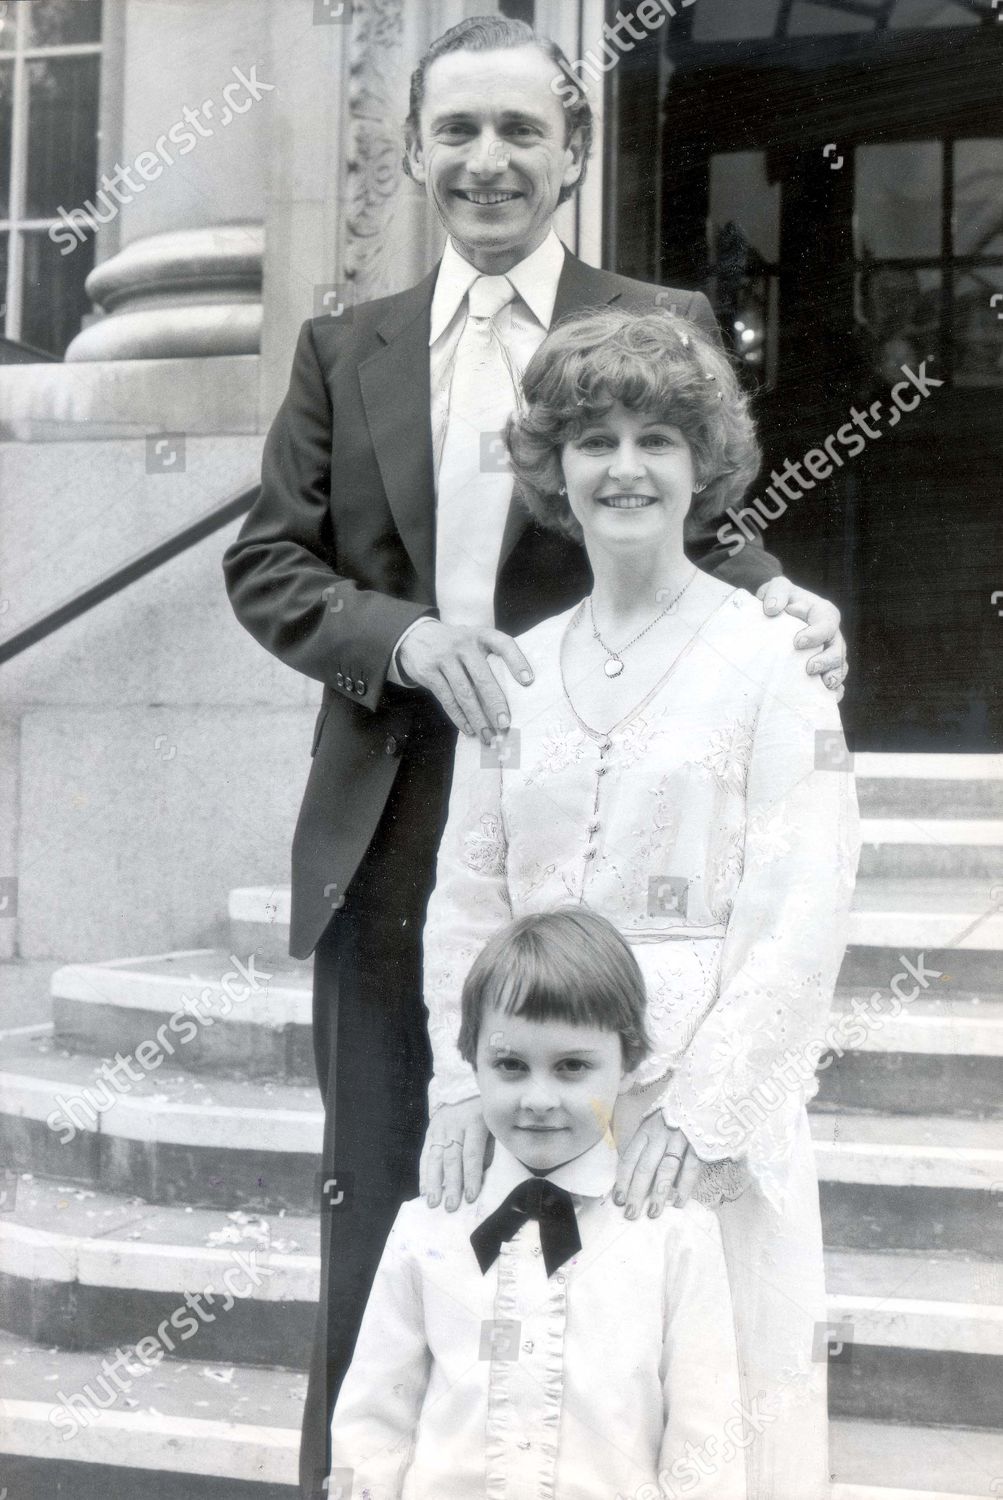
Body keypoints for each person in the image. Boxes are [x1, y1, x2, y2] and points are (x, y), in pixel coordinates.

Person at [220, 16, 848, 1494]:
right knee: (398, 1207)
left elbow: (693, 509)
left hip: (604, 825)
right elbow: (268, 562)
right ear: (413, 151)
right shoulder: (342, 347)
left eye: (519, 132)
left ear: (571, 150)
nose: (487, 162)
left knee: (638, 1260)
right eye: (456, 132)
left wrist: (786, 608)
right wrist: (397, 635)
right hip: (405, 844)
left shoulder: (652, 317)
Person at [419, 306, 860, 1499]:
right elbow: (468, 893)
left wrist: (702, 1113)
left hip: (697, 1104)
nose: (624, 467)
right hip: (546, 1100)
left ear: (701, 463)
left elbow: (803, 898)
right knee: (559, 1413)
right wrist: (463, 1083)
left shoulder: (772, 656)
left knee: (711, 1415)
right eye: (593, 439)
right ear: (553, 469)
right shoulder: (514, 669)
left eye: (657, 438)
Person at [331, 908, 747, 1500]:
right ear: (471, 1060)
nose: (539, 1099)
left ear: (627, 1062)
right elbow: (373, 1419)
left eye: (573, 1067)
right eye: (510, 1066)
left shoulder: (672, 1234)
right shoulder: (427, 1226)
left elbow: (706, 1441)